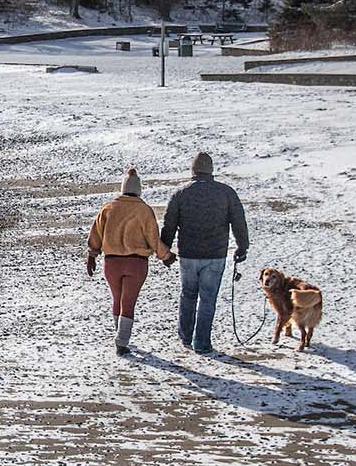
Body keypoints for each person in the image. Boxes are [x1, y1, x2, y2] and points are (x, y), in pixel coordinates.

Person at [160, 151, 249, 356]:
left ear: (193, 170)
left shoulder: (181, 193)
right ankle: (202, 342)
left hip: (188, 255)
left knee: (188, 294)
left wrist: (165, 250)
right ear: (211, 171)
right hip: (215, 255)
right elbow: (238, 222)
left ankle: (185, 335)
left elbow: (169, 224)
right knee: (208, 298)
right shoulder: (226, 192)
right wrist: (242, 247)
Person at [85, 168, 172, 356]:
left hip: (111, 263)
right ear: (139, 190)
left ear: (123, 188)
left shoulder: (108, 208)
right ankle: (122, 342)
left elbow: (96, 234)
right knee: (128, 302)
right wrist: (166, 256)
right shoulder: (144, 210)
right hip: (136, 263)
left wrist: (92, 255)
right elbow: (153, 239)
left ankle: (120, 335)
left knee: (117, 299)